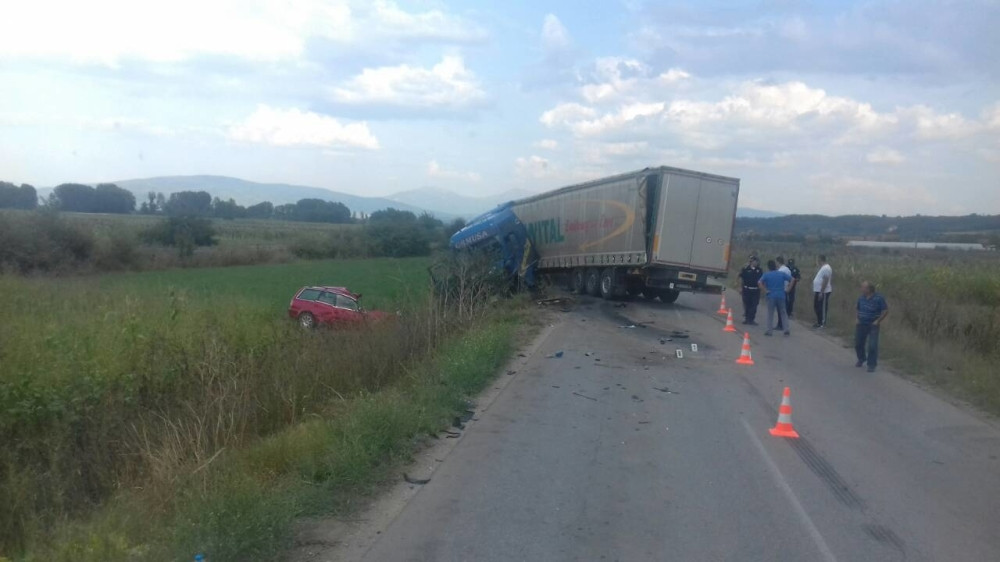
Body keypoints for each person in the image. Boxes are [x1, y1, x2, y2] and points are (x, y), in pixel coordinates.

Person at [855, 281, 889, 372]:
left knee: (872, 345)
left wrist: (878, 321)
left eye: (863, 287)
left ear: (869, 289)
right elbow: (858, 308)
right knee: (858, 343)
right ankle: (861, 358)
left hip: (872, 324)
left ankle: (871, 364)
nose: (861, 289)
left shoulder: (879, 298)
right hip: (861, 323)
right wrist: (857, 318)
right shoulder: (861, 297)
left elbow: (885, 310)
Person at [758, 259, 792, 336]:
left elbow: (759, 282)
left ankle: (769, 331)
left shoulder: (766, 275)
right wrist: (789, 288)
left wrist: (765, 290)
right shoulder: (781, 274)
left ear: (768, 267)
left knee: (770, 313)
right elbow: (792, 279)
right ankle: (786, 329)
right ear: (775, 266)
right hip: (781, 295)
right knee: (783, 312)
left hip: (771, 295)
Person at [738, 255, 763, 325]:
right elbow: (741, 278)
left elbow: (762, 280)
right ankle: (747, 319)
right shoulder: (746, 269)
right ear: (752, 262)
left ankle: (751, 319)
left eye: (757, 262)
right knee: (747, 304)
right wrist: (740, 287)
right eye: (755, 261)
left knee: (754, 305)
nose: (756, 263)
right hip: (747, 289)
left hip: (756, 290)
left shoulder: (759, 270)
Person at [812, 254, 833, 328]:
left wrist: (821, 291)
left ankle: (822, 323)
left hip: (823, 291)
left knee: (822, 307)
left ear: (821, 259)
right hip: (818, 290)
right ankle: (819, 321)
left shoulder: (826, 268)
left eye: (818, 259)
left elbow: (826, 279)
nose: (817, 261)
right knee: (816, 306)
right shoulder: (823, 268)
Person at [775, 256, 792, 330]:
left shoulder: (780, 271)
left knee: (780, 309)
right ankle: (781, 324)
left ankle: (780, 325)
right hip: (785, 289)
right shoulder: (787, 269)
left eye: (776, 262)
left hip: (781, 290)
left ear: (778, 262)